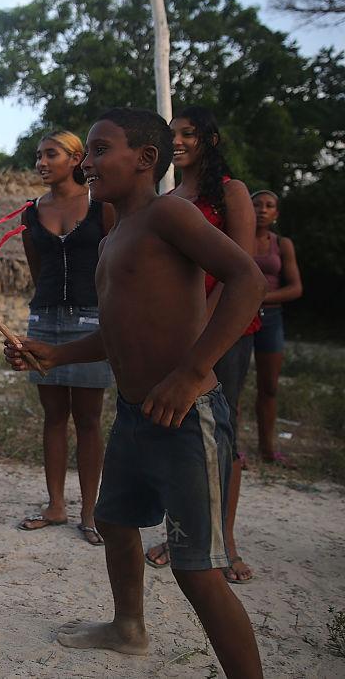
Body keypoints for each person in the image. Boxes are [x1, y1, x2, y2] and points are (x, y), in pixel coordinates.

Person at [5, 108, 265, 677]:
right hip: (136, 411)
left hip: (186, 413)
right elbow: (120, 330)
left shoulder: (169, 214)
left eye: (99, 150)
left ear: (146, 159)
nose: (87, 162)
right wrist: (58, 353)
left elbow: (248, 279)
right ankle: (128, 627)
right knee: (116, 520)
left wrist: (193, 371)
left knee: (197, 569)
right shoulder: (115, 232)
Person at [146, 107, 259, 585]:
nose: (177, 140)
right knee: (182, 433)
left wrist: (203, 330)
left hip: (224, 332)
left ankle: (224, 541)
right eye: (172, 134)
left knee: (222, 432)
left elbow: (242, 269)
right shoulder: (170, 198)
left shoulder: (230, 193)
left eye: (187, 133)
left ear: (208, 140)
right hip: (179, 333)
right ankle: (182, 534)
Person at [18, 130, 115, 546]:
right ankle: (56, 505)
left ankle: (90, 512)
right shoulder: (31, 212)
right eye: (38, 155)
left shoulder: (102, 207)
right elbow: (36, 267)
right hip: (44, 319)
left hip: (93, 318)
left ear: (76, 158)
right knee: (53, 415)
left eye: (51, 154)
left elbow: (114, 261)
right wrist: (47, 310)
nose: (41, 162)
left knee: (89, 419)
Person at [251, 190, 303, 467]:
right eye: (256, 204)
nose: (262, 210)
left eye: (269, 206)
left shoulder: (282, 244)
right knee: (230, 386)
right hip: (240, 317)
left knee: (269, 386)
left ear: (276, 214)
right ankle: (233, 449)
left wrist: (261, 297)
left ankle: (267, 448)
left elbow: (295, 287)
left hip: (271, 318)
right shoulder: (238, 236)